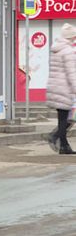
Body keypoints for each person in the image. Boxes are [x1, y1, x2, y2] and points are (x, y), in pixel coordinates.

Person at [46, 23, 76, 154]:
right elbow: (72, 72)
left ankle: (64, 146)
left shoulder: (56, 49)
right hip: (64, 88)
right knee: (67, 119)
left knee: (63, 118)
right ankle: (55, 137)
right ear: (70, 37)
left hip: (56, 87)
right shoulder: (68, 51)